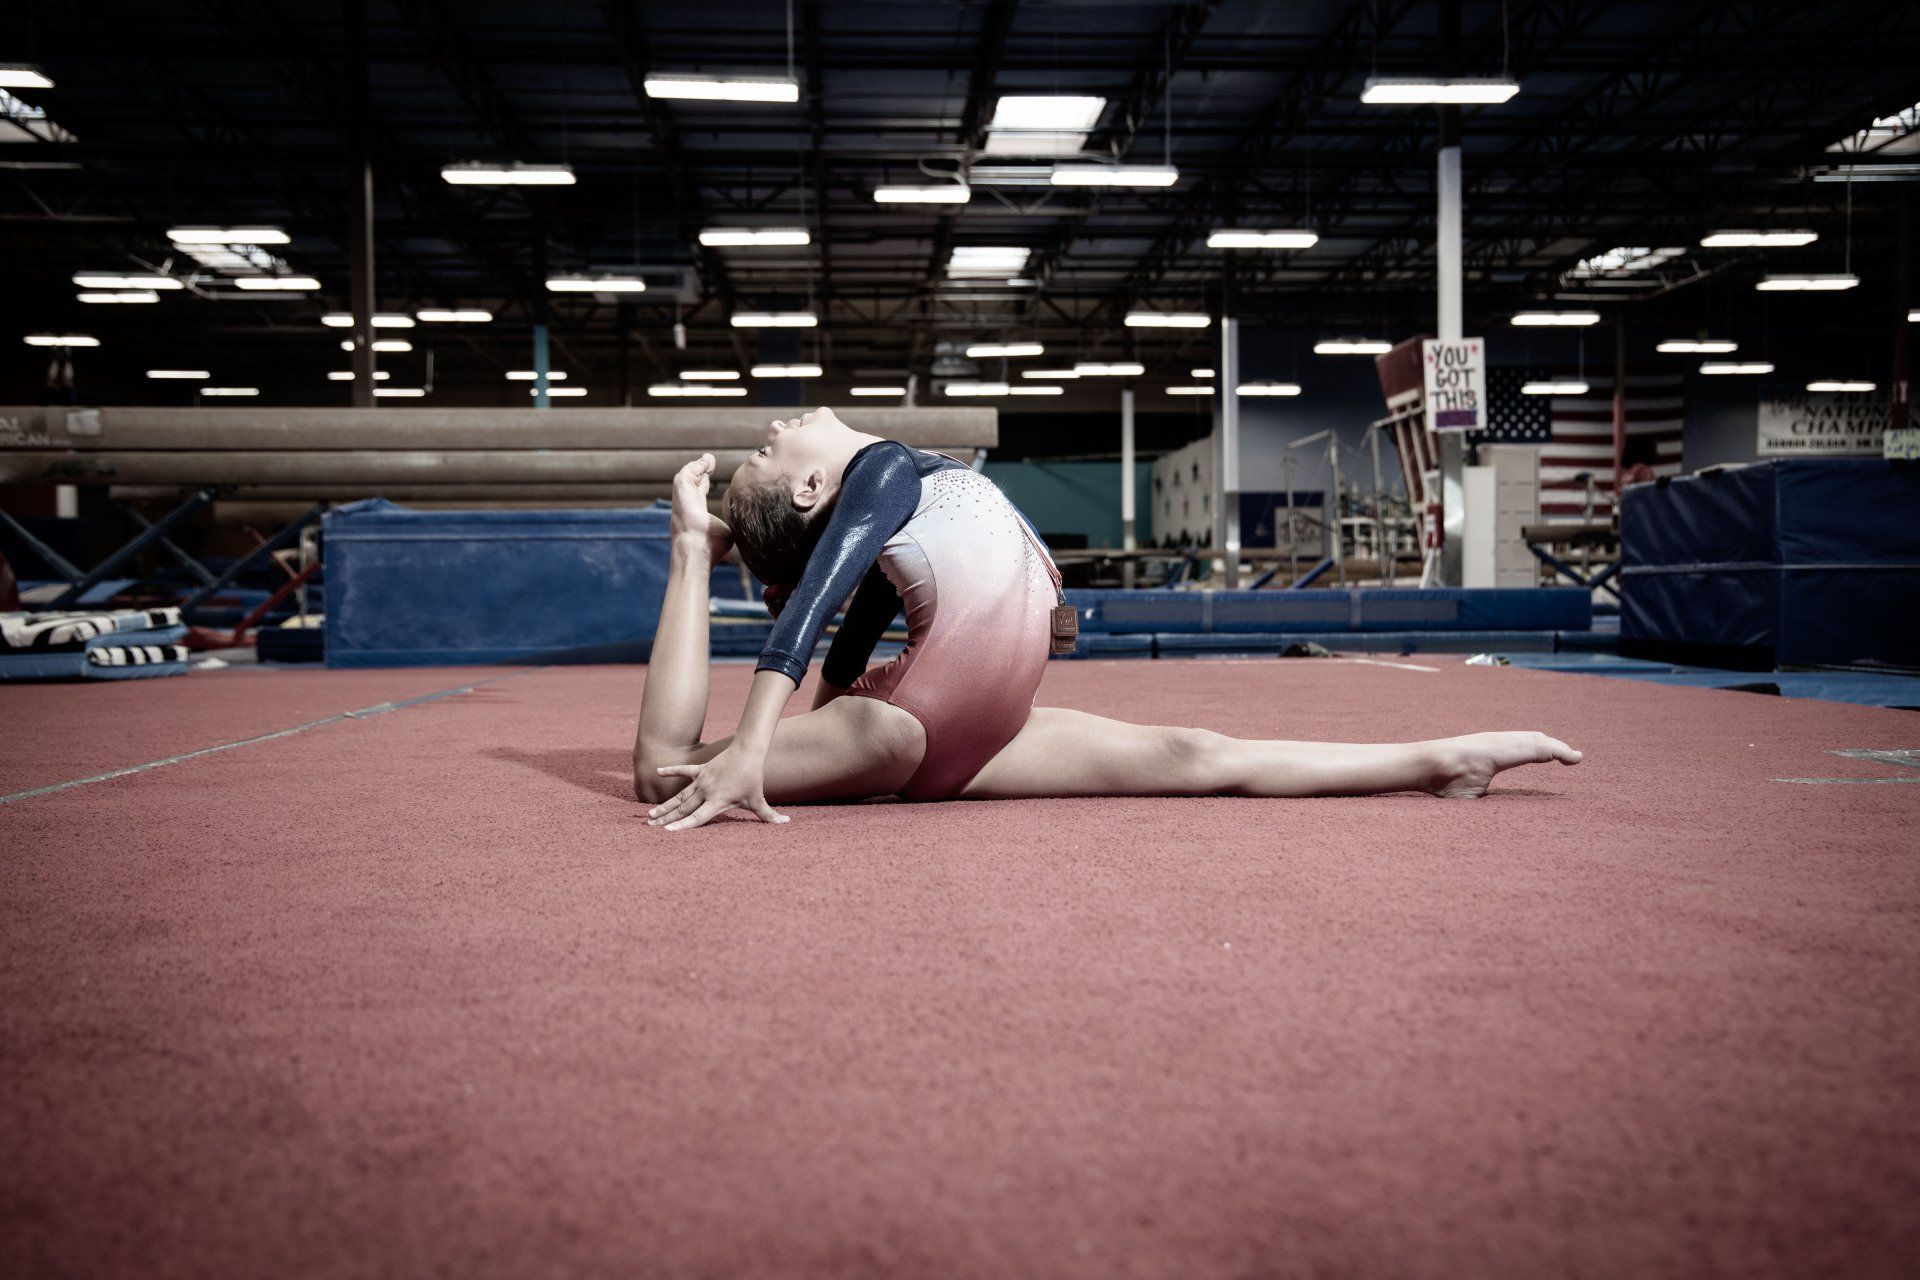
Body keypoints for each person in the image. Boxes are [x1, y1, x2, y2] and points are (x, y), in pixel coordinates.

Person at [633, 408, 1580, 831]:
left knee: (1196, 753)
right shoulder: (878, 469)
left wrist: (811, 720)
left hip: (980, 735)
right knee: (661, 772)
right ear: (812, 487)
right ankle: (686, 554)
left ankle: (1442, 759)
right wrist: (757, 743)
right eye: (771, 450)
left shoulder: (917, 492)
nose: (776, 428)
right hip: (907, 731)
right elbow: (813, 602)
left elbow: (854, 621)